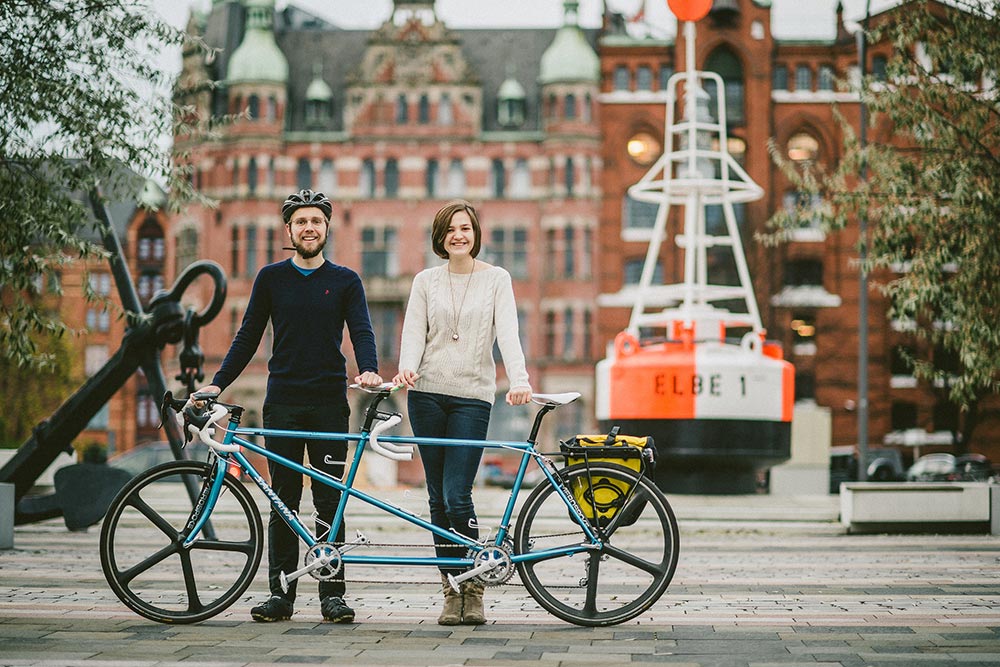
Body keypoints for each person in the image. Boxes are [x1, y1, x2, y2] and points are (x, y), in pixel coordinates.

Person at [199, 189, 382, 624]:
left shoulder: (345, 280)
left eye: (316, 221)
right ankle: (281, 595)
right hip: (281, 401)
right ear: (289, 230)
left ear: (326, 228)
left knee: (328, 500)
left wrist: (370, 369)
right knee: (282, 501)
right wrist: (217, 383)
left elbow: (361, 330)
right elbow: (247, 336)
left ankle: (332, 595)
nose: (309, 228)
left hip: (328, 404)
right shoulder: (271, 278)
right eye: (301, 222)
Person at [392, 200, 532, 626]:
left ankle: (474, 583)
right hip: (427, 395)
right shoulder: (425, 280)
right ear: (440, 236)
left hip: (472, 396)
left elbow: (508, 330)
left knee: (457, 494)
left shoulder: (496, 279)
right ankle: (451, 590)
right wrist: (406, 366)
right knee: (436, 497)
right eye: (451, 229)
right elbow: (414, 330)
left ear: (475, 234)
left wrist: (520, 379)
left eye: (466, 229)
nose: (459, 235)